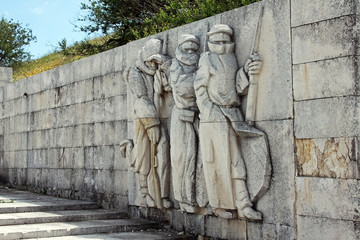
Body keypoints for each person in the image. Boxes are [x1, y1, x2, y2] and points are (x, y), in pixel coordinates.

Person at [194, 24, 269, 220]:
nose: (222, 44)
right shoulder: (206, 58)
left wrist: (247, 71)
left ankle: (243, 205)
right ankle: (219, 205)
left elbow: (238, 86)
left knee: (236, 162)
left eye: (225, 40)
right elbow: (199, 88)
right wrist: (211, 111)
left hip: (233, 116)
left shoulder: (232, 58)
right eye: (217, 40)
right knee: (216, 164)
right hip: (213, 118)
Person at [125, 38, 172, 209]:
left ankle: (161, 194)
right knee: (144, 155)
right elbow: (141, 98)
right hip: (144, 120)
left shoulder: (156, 71)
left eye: (155, 60)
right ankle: (144, 194)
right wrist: (152, 124)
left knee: (163, 154)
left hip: (158, 119)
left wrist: (164, 63)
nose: (152, 64)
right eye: (150, 60)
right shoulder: (135, 72)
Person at [169, 34, 207, 213]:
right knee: (182, 160)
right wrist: (201, 79)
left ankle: (198, 199)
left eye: (194, 48)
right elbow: (182, 88)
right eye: (187, 48)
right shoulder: (175, 65)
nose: (191, 52)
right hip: (182, 117)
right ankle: (183, 199)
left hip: (199, 116)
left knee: (199, 160)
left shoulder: (202, 62)